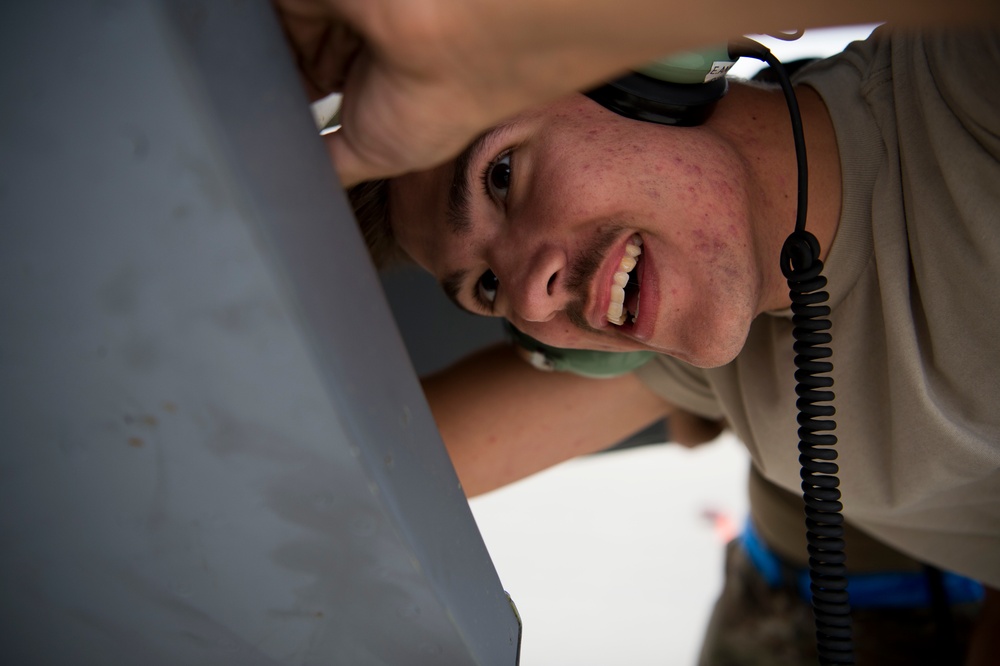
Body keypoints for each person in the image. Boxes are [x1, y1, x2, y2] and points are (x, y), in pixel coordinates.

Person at [275, 3, 1000, 663]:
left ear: (656, 70)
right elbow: (336, 471)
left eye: (500, 175)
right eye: (486, 287)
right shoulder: (702, 355)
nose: (529, 299)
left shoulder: (962, 88)